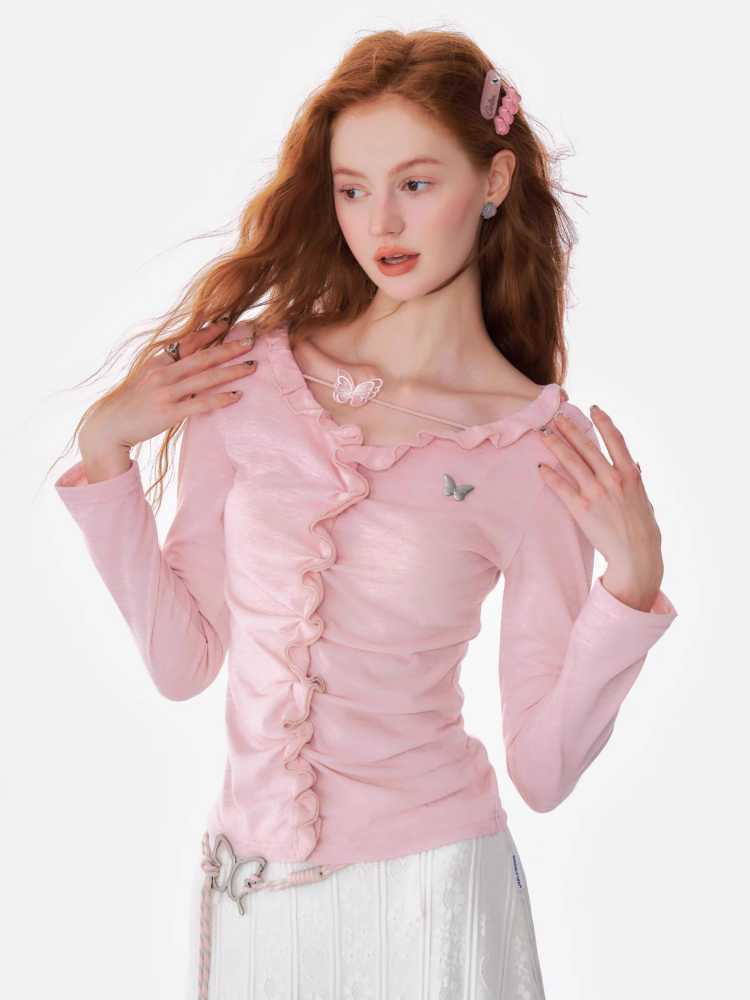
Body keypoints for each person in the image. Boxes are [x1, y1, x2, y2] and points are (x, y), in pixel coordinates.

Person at [52, 28, 678, 1000]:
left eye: (415, 183)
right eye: (352, 189)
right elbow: (184, 662)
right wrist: (106, 455)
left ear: (493, 180)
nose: (380, 220)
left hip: (436, 897)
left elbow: (544, 770)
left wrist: (630, 589)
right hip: (256, 899)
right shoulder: (244, 378)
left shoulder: (531, 448)